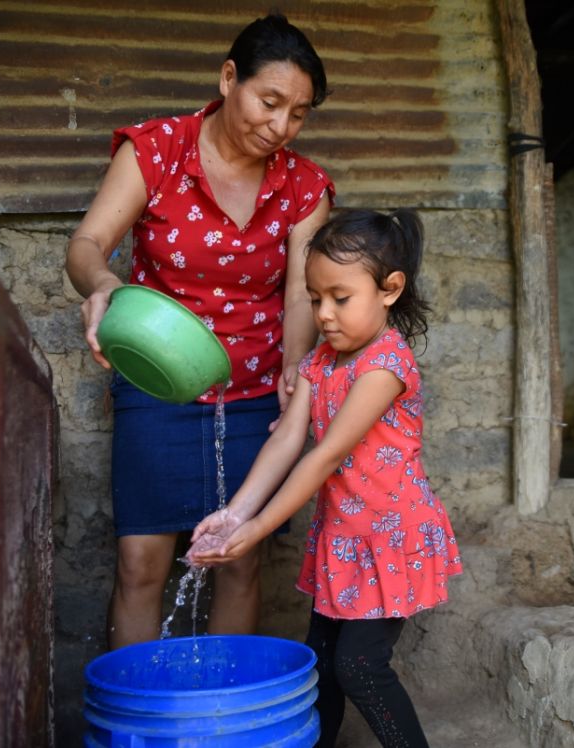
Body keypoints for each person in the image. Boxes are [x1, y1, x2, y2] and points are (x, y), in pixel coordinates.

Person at [64, 13, 334, 650]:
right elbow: (87, 244)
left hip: (254, 393)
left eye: (297, 114)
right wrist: (103, 285)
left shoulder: (304, 187)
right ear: (229, 78)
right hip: (157, 380)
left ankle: (221, 702)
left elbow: (301, 292)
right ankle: (136, 706)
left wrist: (293, 369)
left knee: (238, 559)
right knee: (141, 562)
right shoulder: (157, 150)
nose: (279, 126)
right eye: (269, 102)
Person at [187, 209, 463, 748]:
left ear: (390, 290)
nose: (325, 314)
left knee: (359, 666)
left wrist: (259, 528)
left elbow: (325, 456)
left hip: (390, 537)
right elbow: (287, 440)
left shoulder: (384, 365)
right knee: (323, 664)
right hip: (343, 537)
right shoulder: (321, 360)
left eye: (340, 297)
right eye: (315, 299)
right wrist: (235, 514)